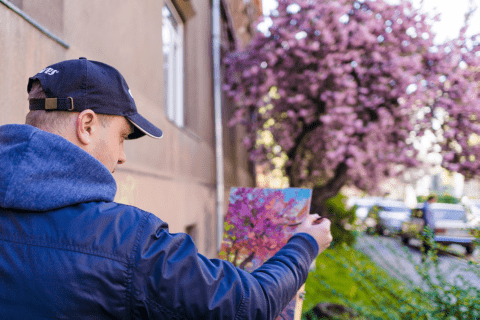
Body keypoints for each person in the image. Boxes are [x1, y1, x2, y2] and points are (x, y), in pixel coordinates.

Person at [0, 58, 333, 319]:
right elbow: (251, 305)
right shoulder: (127, 241)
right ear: (86, 125)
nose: (122, 157)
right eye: (121, 137)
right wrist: (305, 243)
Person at [421, 195, 437, 260]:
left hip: (428, 226)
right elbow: (427, 218)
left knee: (428, 241)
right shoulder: (426, 206)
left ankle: (426, 254)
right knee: (427, 241)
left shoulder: (427, 206)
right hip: (428, 226)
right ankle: (426, 254)